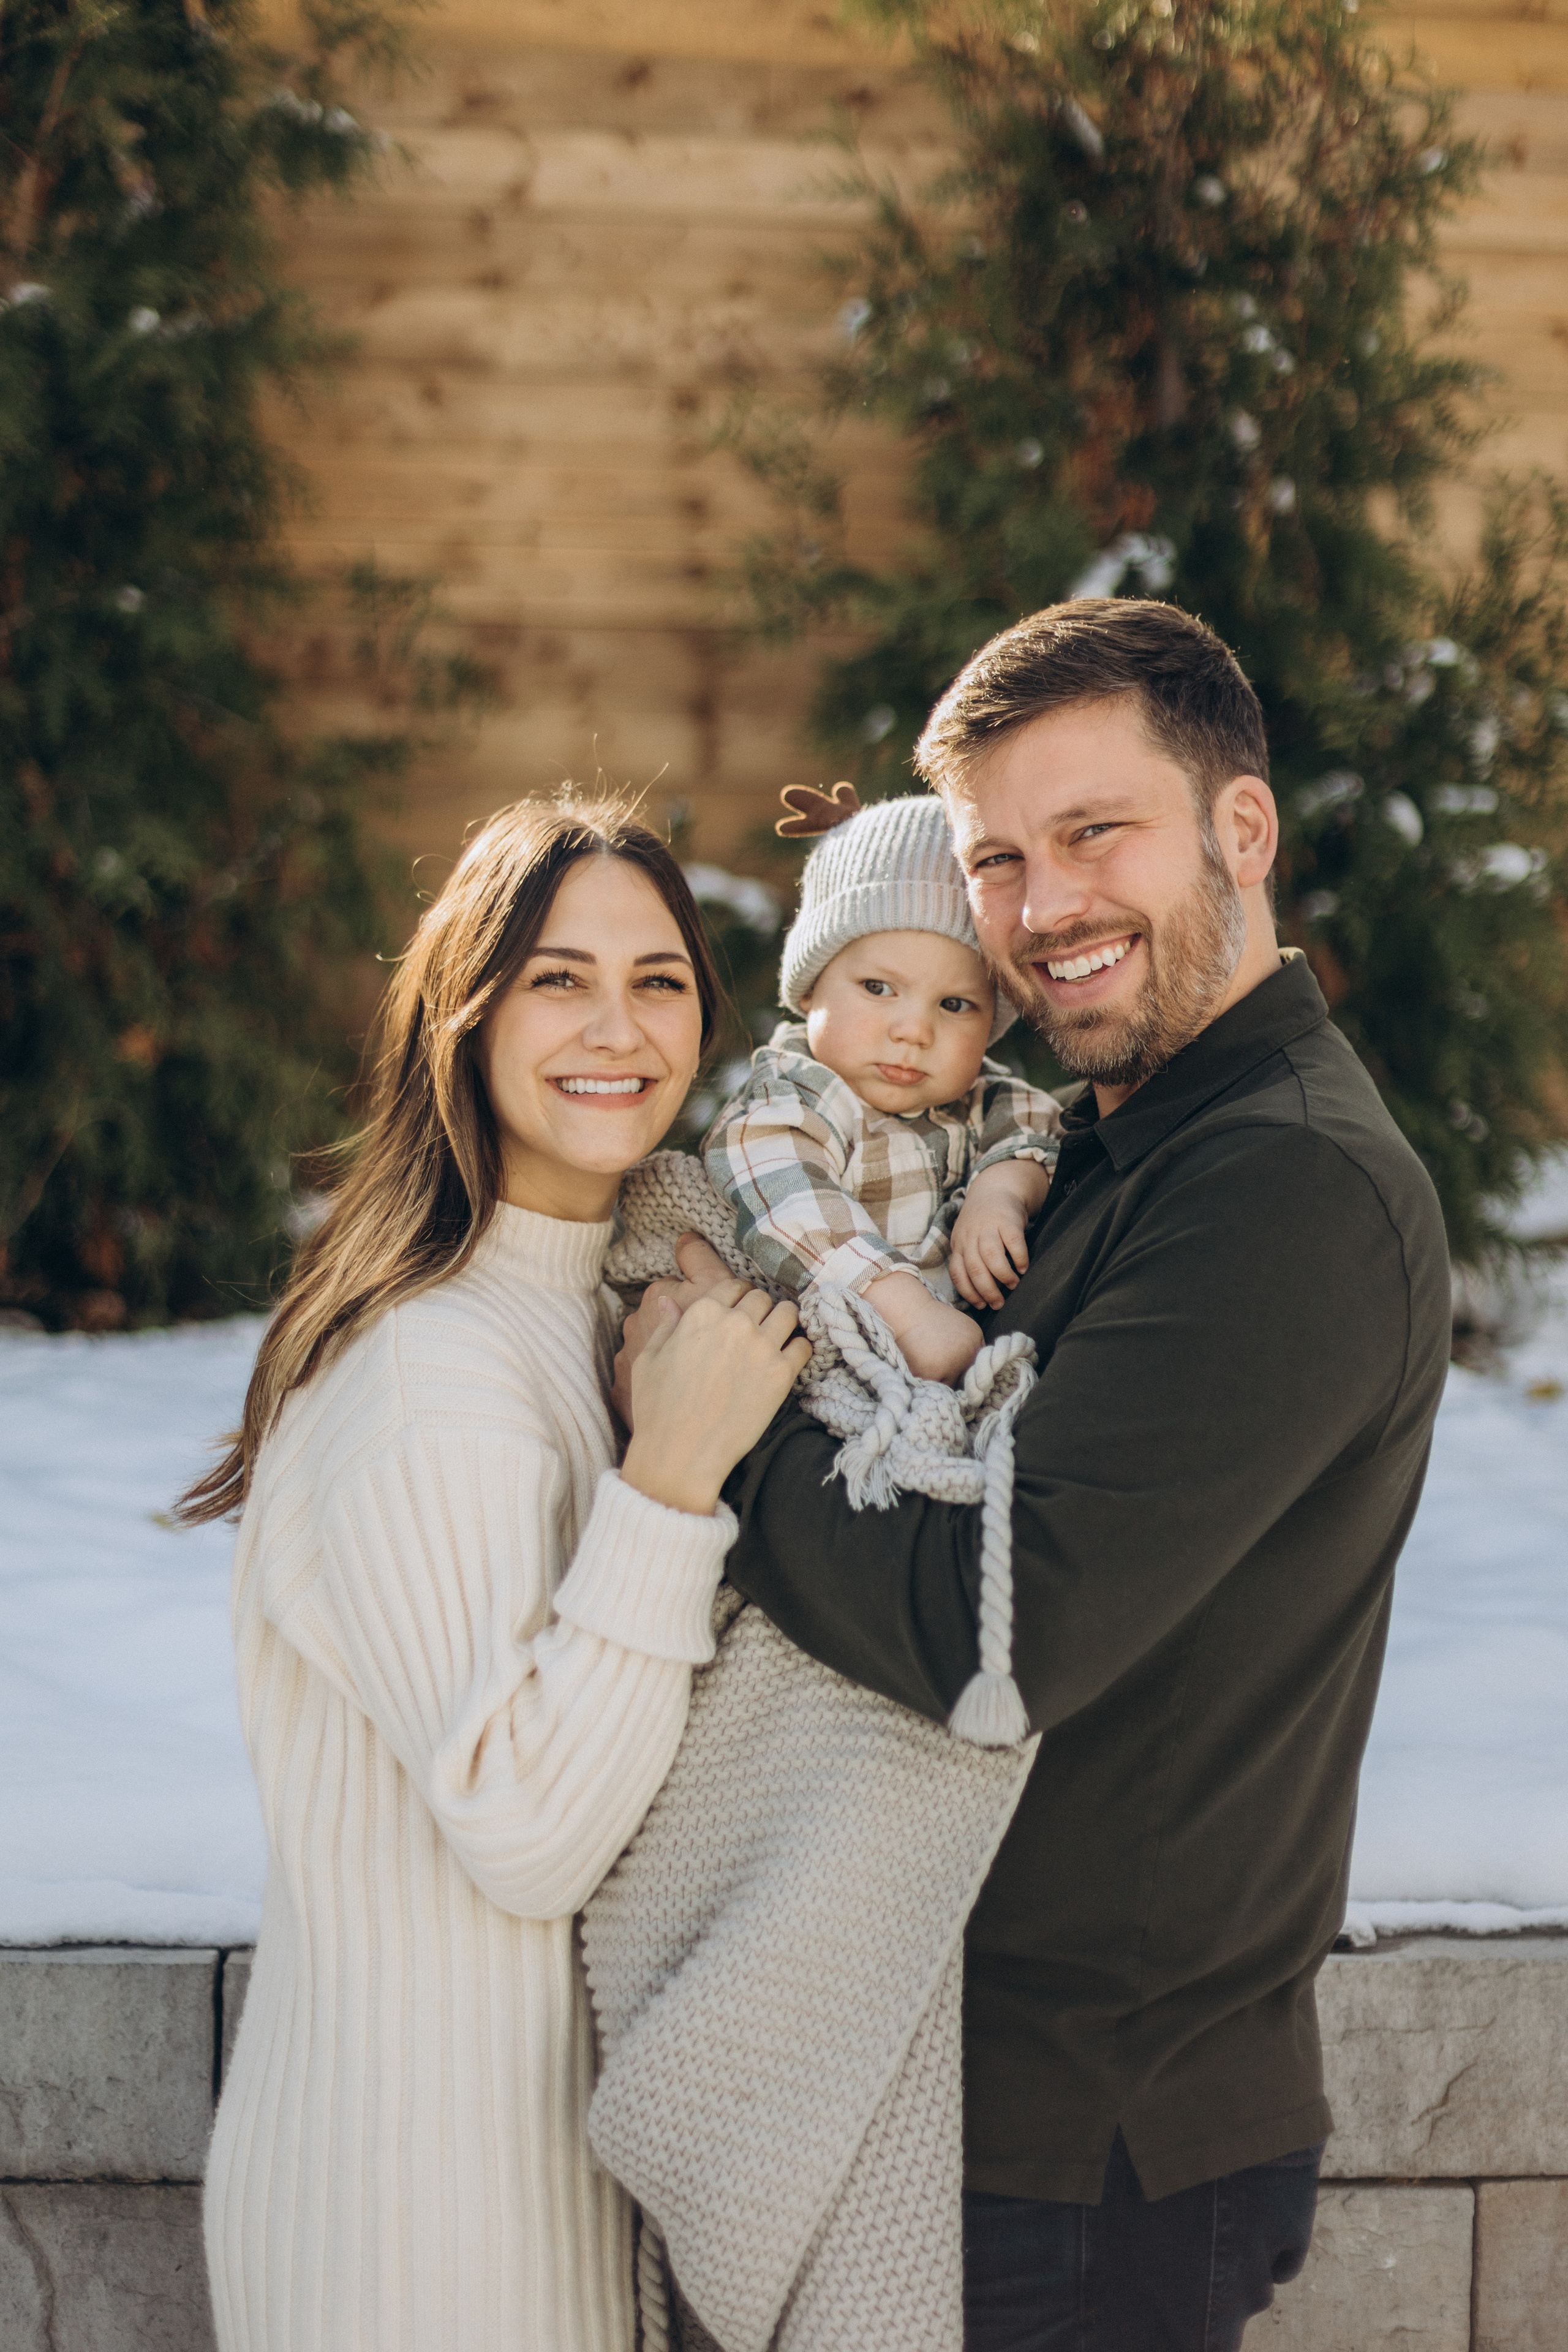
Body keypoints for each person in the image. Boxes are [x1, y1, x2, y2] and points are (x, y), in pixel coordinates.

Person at [613, 600, 1452, 2352]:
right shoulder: (1103, 1135)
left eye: (1095, 835)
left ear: (1241, 828)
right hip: (954, 2102)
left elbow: (996, 1638)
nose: (1042, 905)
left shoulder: (1286, 1190)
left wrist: (725, 1408)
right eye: (997, 857)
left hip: (1082, 2160)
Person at [178, 796, 810, 2352]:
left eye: (659, 979)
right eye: (554, 977)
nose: (619, 1024)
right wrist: (668, 1483)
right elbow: (526, 1830)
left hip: (536, 2192)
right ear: (463, 1015)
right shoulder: (427, 1374)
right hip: (410, 2226)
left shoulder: (578, 1318)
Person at [700, 786, 1063, 1383]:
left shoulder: (976, 1098)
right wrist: (910, 1313)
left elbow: (1035, 1121)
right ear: (812, 988)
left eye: (954, 1004)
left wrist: (1000, 1191)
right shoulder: (795, 1097)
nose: (914, 1031)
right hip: (817, 1342)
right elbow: (790, 1198)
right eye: (877, 988)